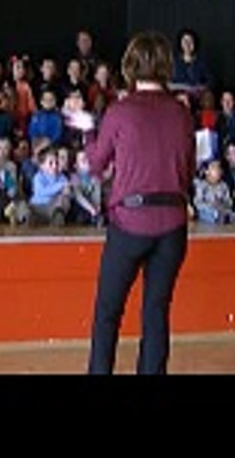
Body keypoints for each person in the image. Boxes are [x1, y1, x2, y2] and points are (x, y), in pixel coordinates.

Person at [64, 31, 194, 375]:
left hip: (130, 223)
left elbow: (95, 165)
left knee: (108, 312)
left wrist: (87, 130)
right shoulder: (181, 114)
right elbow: (188, 171)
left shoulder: (120, 112)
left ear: (130, 66)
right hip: (173, 226)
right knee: (156, 312)